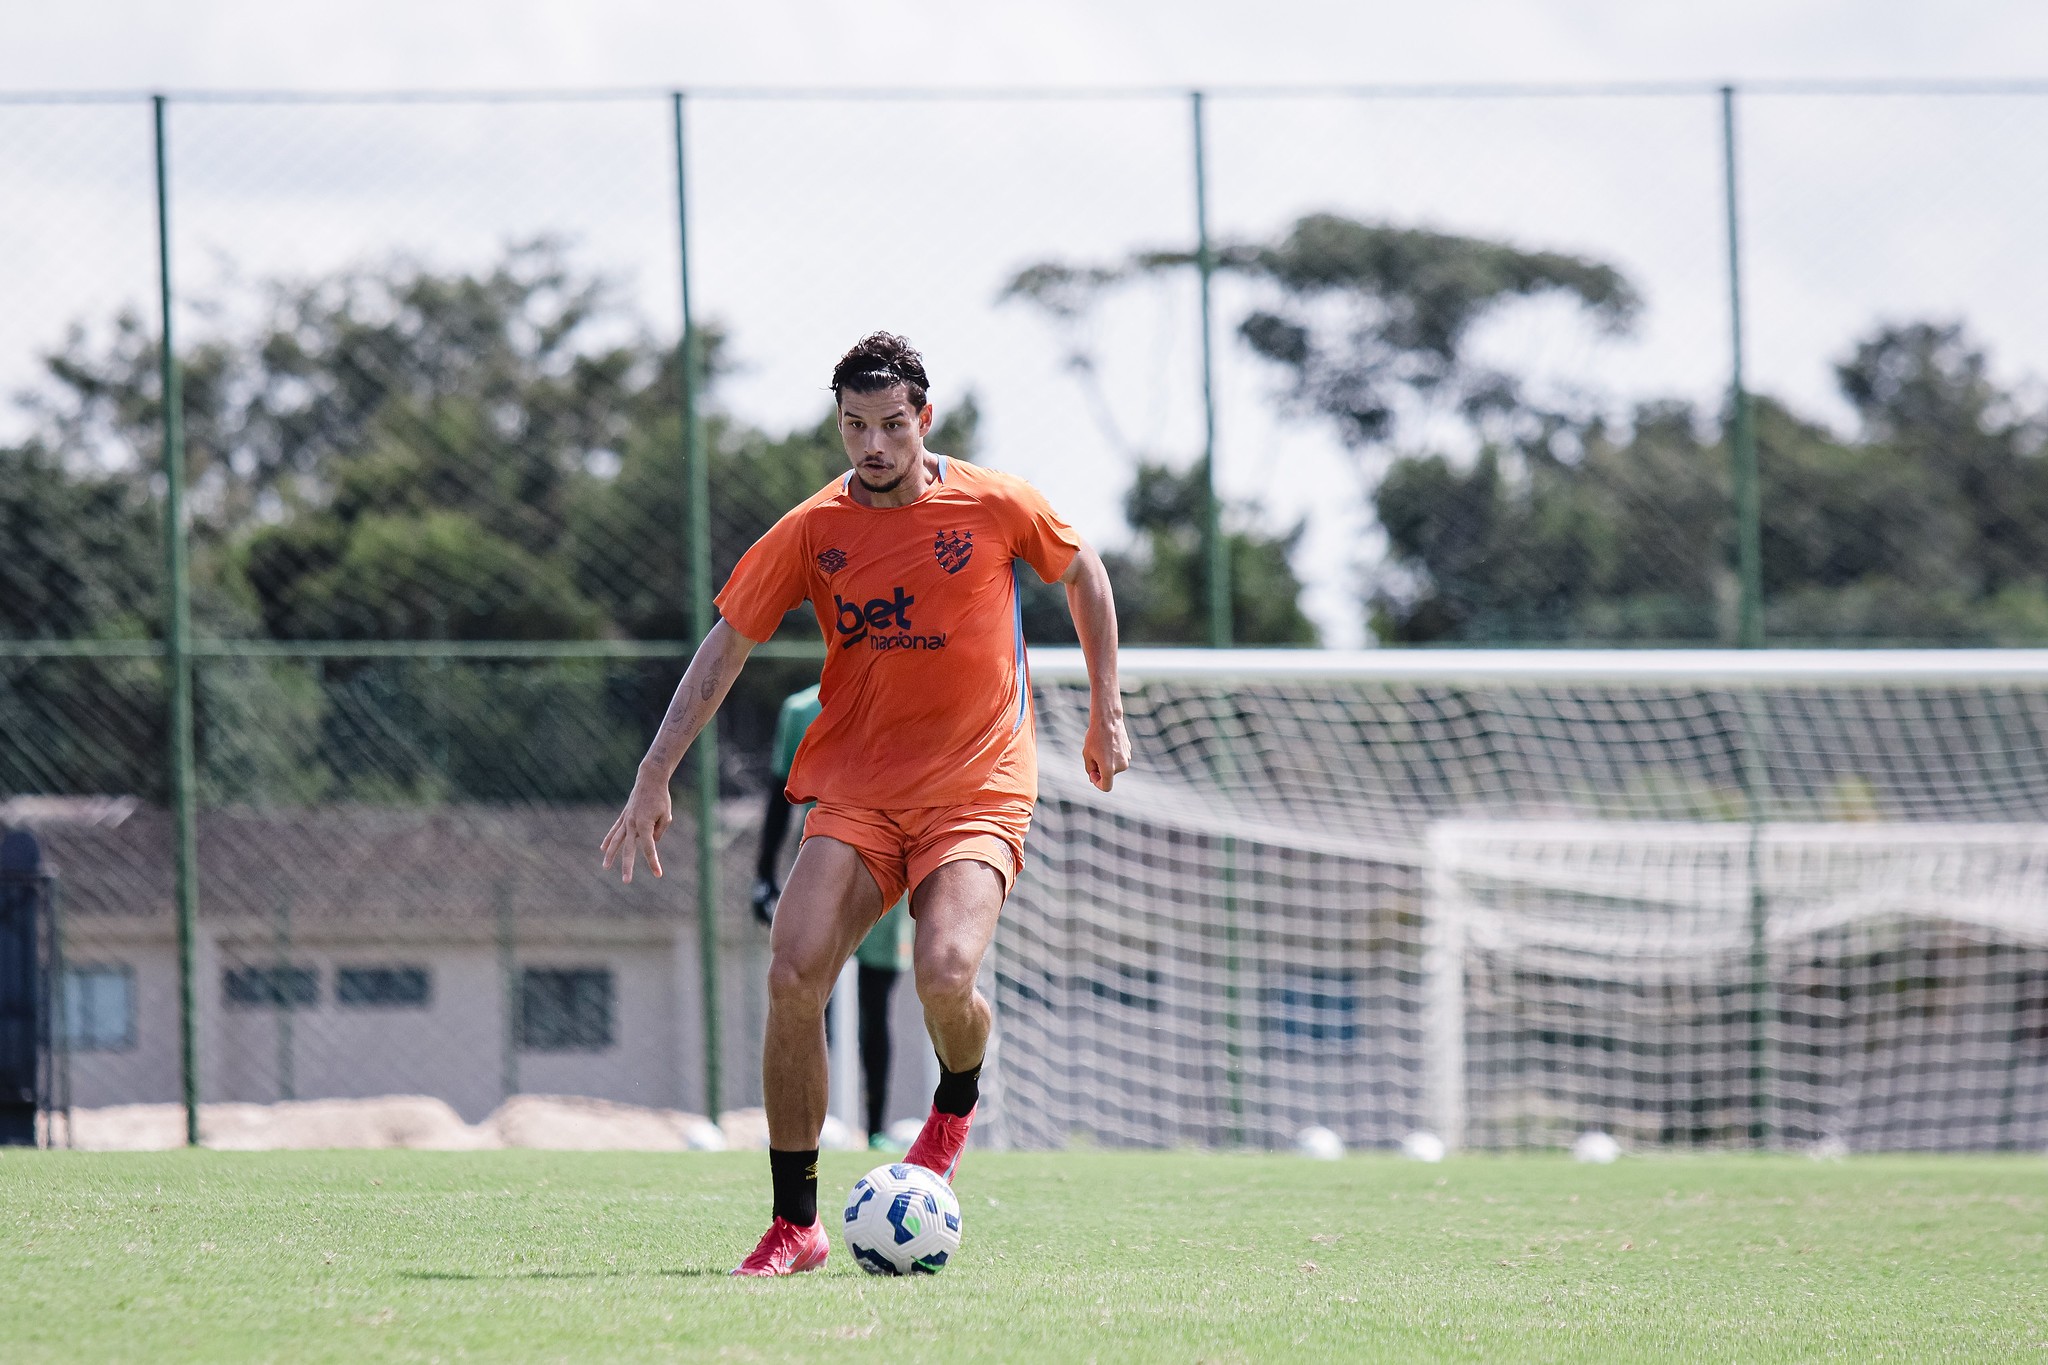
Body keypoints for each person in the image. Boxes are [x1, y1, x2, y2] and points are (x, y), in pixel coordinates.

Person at [601, 331, 1128, 1277]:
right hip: (857, 789)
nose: (873, 444)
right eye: (855, 426)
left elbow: (1084, 573)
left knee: (942, 973)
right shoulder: (814, 528)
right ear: (838, 423)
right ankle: (794, 1226)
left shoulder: (997, 502)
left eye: (891, 425)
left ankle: (950, 1110)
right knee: (793, 968)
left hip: (976, 786)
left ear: (924, 418)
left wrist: (1104, 712)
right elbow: (726, 646)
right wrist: (654, 772)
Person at [754, 682, 913, 1151]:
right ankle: (804, 1135)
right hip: (823, 878)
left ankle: (877, 1128)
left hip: (887, 872)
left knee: (875, 1004)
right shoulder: (800, 709)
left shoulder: (905, 696)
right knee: (803, 996)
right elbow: (778, 799)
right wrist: (763, 875)